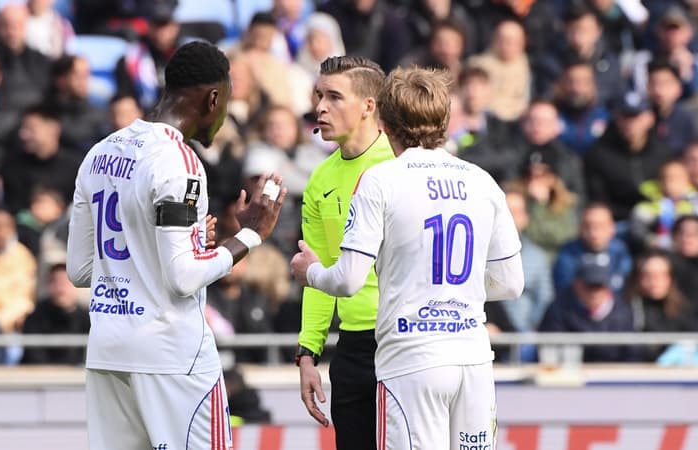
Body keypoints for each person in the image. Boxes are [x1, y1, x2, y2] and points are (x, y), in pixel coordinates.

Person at [66, 41, 286, 450]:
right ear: (213, 98)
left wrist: (178, 246)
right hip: (171, 354)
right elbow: (183, 277)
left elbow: (79, 269)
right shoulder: (179, 161)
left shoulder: (100, 153)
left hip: (108, 349)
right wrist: (250, 235)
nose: (223, 116)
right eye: (226, 104)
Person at [291, 66, 524, 450]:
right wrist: (447, 290)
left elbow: (348, 279)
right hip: (472, 355)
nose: (321, 106)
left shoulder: (382, 179)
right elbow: (511, 284)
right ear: (445, 119)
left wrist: (311, 272)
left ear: (383, 120)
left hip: (410, 355)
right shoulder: (482, 180)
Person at [295, 55, 392, 450]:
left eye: (334, 97)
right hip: (352, 347)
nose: (320, 107)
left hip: (403, 339)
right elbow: (315, 271)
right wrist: (307, 353)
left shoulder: (400, 165)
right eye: (319, 95)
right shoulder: (320, 179)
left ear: (368, 106)